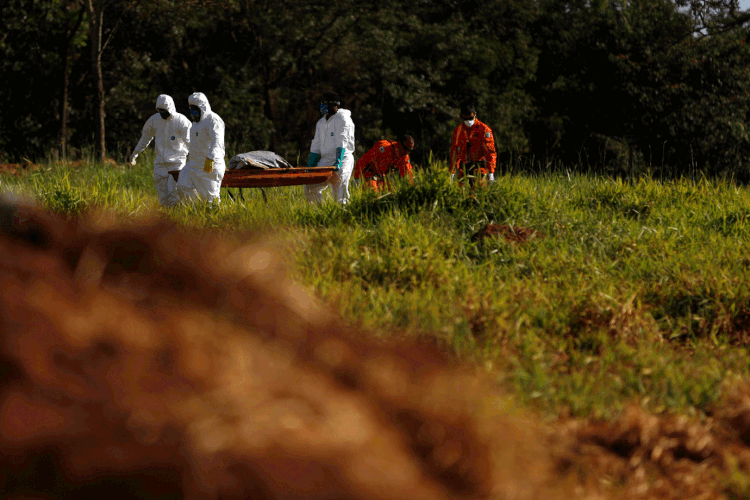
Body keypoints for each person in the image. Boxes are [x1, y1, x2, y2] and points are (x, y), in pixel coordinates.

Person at [128, 94, 191, 206]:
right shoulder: (154, 120)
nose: (162, 113)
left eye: (164, 110)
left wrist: (200, 157)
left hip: (176, 164)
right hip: (160, 165)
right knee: (163, 198)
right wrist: (136, 152)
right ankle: (165, 220)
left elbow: (190, 142)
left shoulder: (181, 121)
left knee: (174, 194)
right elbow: (145, 138)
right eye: (159, 110)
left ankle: (177, 219)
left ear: (170, 108)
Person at [167, 92, 226, 206]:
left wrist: (211, 158)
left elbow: (217, 141)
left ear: (203, 107)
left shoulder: (213, 120)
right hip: (194, 165)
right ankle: (196, 209)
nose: (193, 112)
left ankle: (214, 217)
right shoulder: (195, 123)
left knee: (210, 199)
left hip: (209, 166)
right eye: (191, 108)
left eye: (195, 108)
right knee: (182, 186)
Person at [304, 92, 356, 204]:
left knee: (340, 189)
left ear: (335, 105)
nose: (322, 107)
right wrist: (311, 166)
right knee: (310, 187)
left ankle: (342, 215)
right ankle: (321, 214)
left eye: (325, 104)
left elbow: (342, 140)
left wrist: (338, 161)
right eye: (322, 104)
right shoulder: (321, 122)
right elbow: (316, 144)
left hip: (343, 159)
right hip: (325, 160)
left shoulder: (343, 118)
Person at [449, 101, 497, 186]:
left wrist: (491, 172)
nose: (468, 121)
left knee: (480, 190)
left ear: (475, 114)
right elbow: (454, 152)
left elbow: (490, 152)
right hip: (463, 168)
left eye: (470, 118)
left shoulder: (484, 129)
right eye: (465, 119)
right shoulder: (458, 131)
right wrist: (452, 172)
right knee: (460, 193)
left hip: (479, 167)